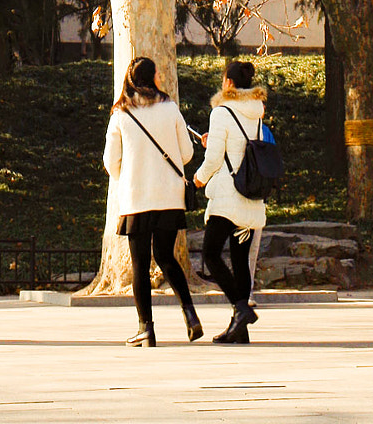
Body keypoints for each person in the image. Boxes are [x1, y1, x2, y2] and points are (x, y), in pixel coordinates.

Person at [102, 54, 204, 347]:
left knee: (140, 263)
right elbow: (186, 154)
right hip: (169, 198)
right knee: (166, 256)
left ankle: (146, 328)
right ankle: (190, 314)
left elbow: (111, 162)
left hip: (137, 199)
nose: (161, 78)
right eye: (158, 74)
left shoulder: (120, 114)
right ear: (151, 79)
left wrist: (132, 173)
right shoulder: (170, 108)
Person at [193, 57, 267, 344]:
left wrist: (198, 179)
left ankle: (240, 308)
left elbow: (214, 160)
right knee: (239, 260)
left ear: (229, 83)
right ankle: (240, 328)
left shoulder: (222, 111)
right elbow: (240, 146)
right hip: (250, 195)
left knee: (210, 254)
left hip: (227, 196)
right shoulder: (256, 113)